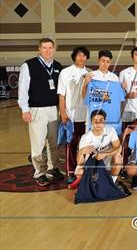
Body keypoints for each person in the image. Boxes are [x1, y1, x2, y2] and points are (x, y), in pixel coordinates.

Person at [18, 38, 64, 186]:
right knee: (38, 144)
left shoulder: (58, 66)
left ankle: (53, 168)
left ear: (54, 49)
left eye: (50, 48)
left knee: (54, 143)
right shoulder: (29, 65)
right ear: (39, 49)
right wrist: (25, 109)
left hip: (54, 109)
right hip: (36, 109)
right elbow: (23, 89)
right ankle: (39, 173)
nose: (48, 50)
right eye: (44, 48)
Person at [70, 110, 129, 195]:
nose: (98, 123)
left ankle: (111, 183)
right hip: (92, 163)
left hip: (105, 160)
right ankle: (90, 184)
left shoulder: (110, 130)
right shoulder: (85, 138)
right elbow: (80, 162)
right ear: (91, 122)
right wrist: (81, 152)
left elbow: (118, 148)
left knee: (118, 158)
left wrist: (105, 154)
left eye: (101, 120)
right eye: (95, 120)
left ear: (104, 121)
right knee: (79, 172)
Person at [57, 46, 90, 184]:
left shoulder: (89, 73)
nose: (82, 58)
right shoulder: (65, 72)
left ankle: (83, 170)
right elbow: (61, 95)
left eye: (84, 55)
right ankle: (71, 172)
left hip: (86, 117)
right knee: (71, 144)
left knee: (85, 146)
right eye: (79, 55)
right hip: (71, 115)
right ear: (74, 56)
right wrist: (63, 113)